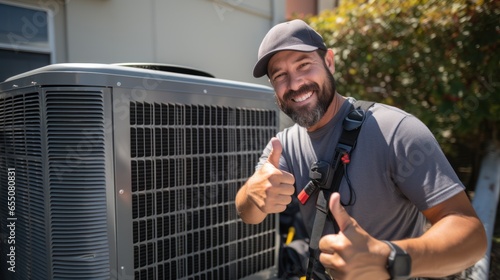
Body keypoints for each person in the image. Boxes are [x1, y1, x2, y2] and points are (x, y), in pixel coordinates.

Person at [235, 19, 487, 279]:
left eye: (304, 65)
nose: (296, 83)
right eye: (280, 76)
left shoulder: (395, 131)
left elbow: (472, 236)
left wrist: (387, 259)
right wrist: (252, 195)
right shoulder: (283, 146)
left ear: (329, 62)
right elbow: (248, 213)